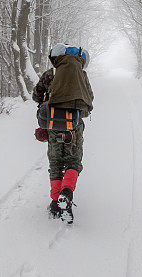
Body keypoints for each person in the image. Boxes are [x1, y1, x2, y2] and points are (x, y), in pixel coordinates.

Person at [33, 44, 94, 222]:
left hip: (52, 124)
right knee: (73, 161)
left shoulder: (50, 73)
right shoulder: (81, 75)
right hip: (74, 125)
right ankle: (66, 195)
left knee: (56, 163)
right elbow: (89, 99)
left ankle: (54, 202)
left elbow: (36, 96)